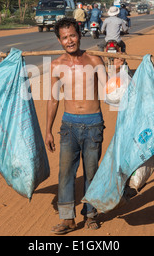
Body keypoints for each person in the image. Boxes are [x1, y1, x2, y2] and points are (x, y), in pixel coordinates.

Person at [45, 18, 123, 235]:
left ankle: (90, 214)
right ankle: (67, 219)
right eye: (64, 37)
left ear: (79, 35)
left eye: (72, 35)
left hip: (93, 124)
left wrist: (117, 71)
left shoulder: (94, 60)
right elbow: (53, 100)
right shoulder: (56, 65)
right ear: (59, 41)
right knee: (65, 174)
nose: (69, 41)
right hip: (68, 125)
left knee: (91, 172)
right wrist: (48, 130)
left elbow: (109, 90)